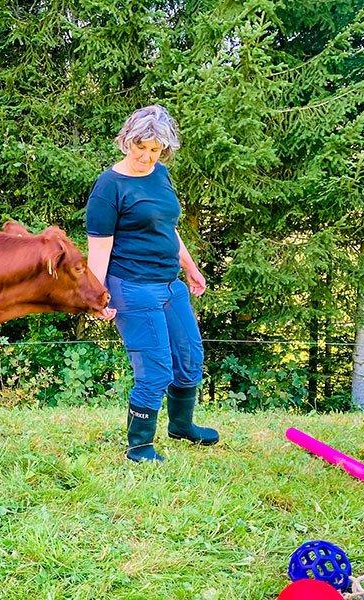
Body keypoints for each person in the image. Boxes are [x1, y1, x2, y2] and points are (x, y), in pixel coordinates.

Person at [85, 104, 219, 463]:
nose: (146, 157)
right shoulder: (108, 187)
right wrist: (96, 296)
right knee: (156, 368)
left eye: (155, 150)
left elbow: (167, 227)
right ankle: (140, 445)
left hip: (169, 281)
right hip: (132, 285)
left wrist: (189, 266)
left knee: (190, 357)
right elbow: (99, 248)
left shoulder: (160, 176)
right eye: (140, 147)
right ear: (127, 140)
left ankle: (182, 426)